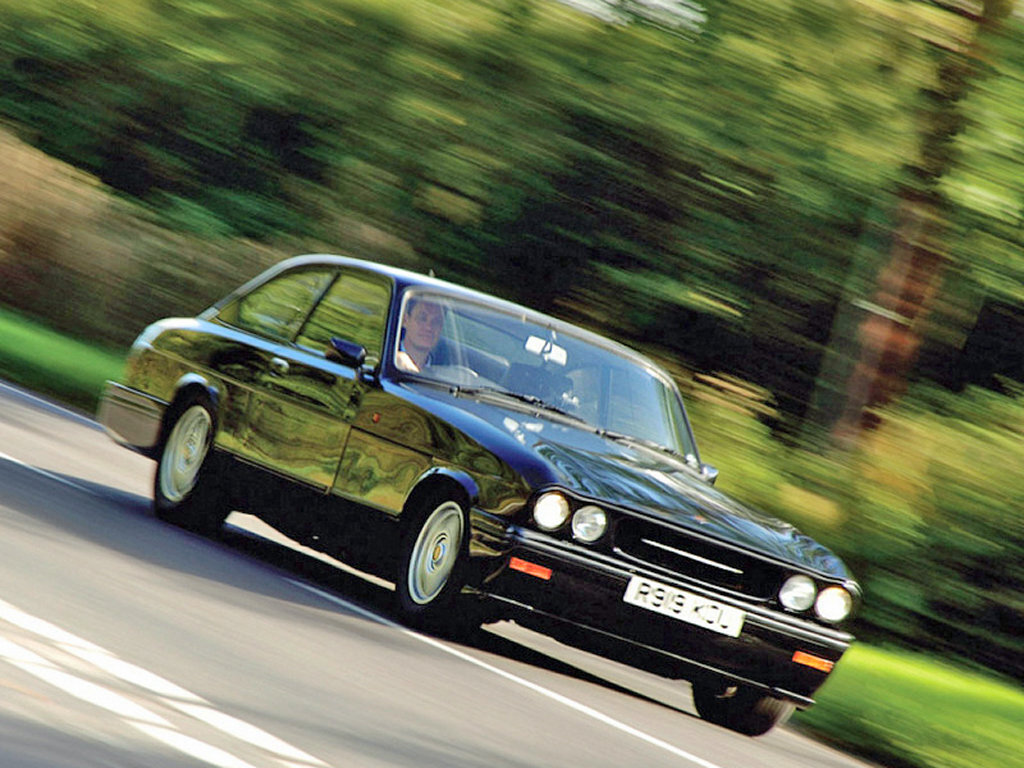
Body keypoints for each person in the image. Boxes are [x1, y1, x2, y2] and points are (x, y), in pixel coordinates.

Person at [396, 296, 443, 372]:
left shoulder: (443, 372)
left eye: (436, 322)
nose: (429, 327)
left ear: (441, 328)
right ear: (405, 320)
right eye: (422, 318)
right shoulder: (387, 356)